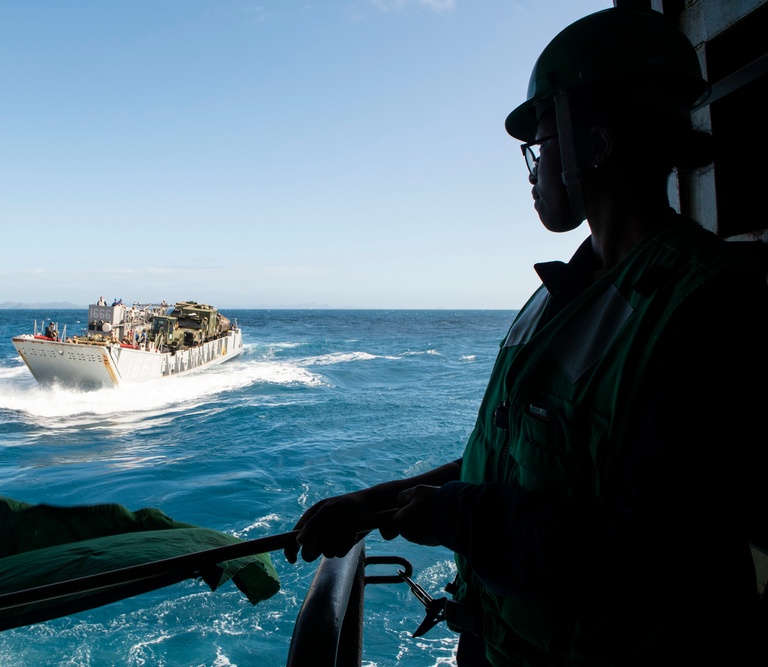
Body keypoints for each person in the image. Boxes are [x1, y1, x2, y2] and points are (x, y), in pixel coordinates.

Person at [284, 7, 768, 666]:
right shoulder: (556, 297)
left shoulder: (707, 310)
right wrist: (376, 502)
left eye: (542, 137)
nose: (535, 166)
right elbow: (525, 463)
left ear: (594, 142)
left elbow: (640, 559)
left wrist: (454, 515)